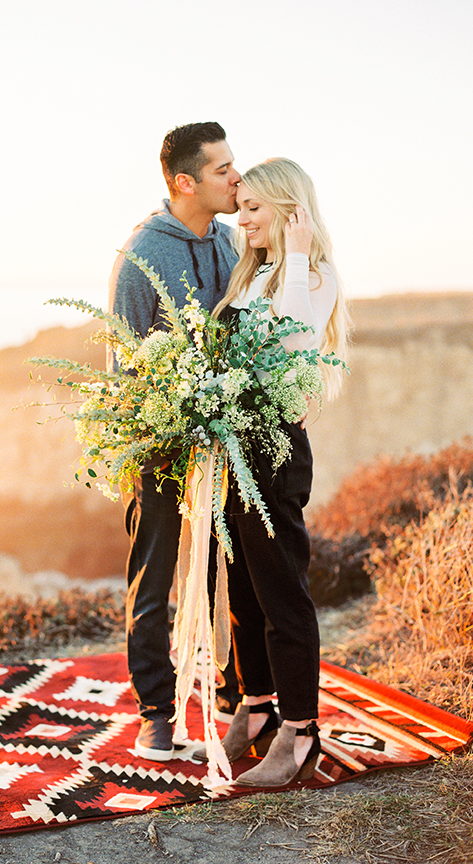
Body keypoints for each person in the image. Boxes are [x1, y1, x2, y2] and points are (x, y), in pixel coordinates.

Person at [200, 157, 349, 786]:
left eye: (256, 207)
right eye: (242, 206)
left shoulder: (313, 276)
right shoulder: (251, 275)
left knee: (283, 591)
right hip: (236, 444)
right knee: (242, 588)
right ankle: (255, 707)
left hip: (276, 451)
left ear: (290, 210)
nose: (243, 216)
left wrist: (296, 247)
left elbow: (290, 347)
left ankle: (300, 731)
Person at [108, 122, 242, 761]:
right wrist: (167, 424)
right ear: (183, 182)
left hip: (228, 434)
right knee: (154, 575)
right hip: (159, 443)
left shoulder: (233, 240)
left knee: (230, 566)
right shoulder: (139, 256)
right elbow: (123, 367)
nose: (235, 178)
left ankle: (233, 694)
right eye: (222, 169)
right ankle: (156, 712)